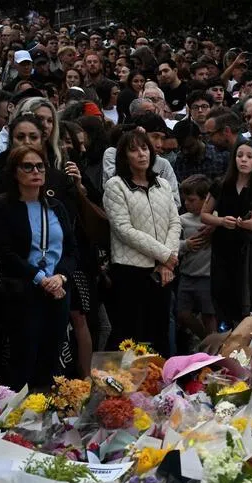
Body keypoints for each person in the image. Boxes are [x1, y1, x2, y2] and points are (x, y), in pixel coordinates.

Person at [0, 145, 79, 390]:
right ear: (14, 172)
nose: (35, 171)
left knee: (51, 362)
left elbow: (72, 251)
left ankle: (46, 417)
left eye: (40, 166)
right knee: (23, 361)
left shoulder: (56, 206)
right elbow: (6, 253)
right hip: (24, 292)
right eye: (28, 166)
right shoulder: (2, 206)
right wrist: (41, 278)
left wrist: (61, 277)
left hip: (57, 292)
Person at [102, 129, 180, 354]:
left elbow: (175, 223)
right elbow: (124, 229)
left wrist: (167, 262)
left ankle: (164, 384)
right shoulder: (116, 185)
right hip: (130, 271)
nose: (141, 154)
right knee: (130, 334)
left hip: (163, 270)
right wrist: (165, 255)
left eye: (144, 148)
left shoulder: (163, 184)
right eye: (133, 150)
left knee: (160, 332)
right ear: (124, 156)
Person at [202, 140, 252, 324]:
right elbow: (204, 215)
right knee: (223, 299)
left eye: (249, 157)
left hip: (249, 253)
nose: (243, 160)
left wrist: (251, 226)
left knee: (251, 302)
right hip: (223, 251)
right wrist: (221, 221)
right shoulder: (221, 184)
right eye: (239, 155)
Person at [176, 174, 216, 345]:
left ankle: (214, 348)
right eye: (185, 200)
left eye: (191, 200)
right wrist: (186, 245)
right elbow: (171, 244)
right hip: (187, 275)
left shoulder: (215, 219)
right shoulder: (182, 220)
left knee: (210, 315)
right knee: (182, 313)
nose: (187, 204)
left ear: (206, 199)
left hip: (208, 276)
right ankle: (205, 341)